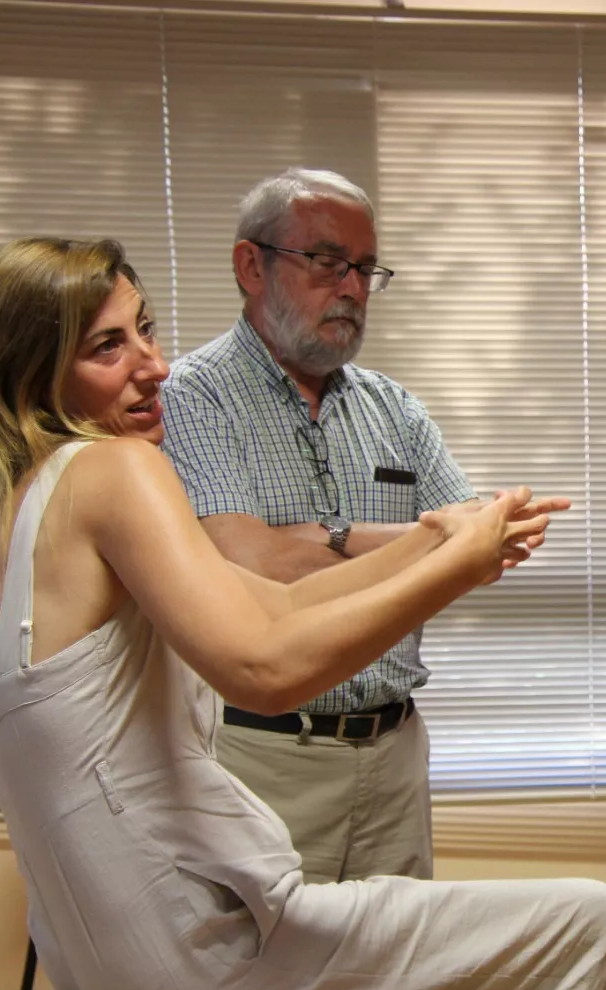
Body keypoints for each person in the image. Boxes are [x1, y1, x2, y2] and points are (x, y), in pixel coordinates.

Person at [0, 236, 606, 990]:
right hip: (196, 962)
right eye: (106, 347)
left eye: (145, 329)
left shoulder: (1, 525)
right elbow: (265, 671)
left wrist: (433, 542)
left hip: (105, 974)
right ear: (28, 371)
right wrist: (456, 572)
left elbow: (275, 606)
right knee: (593, 925)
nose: (153, 365)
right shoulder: (114, 472)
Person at [160, 168, 473, 883]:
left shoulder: (395, 409)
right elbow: (245, 563)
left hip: (393, 751)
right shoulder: (190, 397)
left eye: (365, 269)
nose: (354, 289)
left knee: (399, 976)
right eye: (328, 263)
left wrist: (313, 537)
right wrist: (425, 540)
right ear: (251, 264)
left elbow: (477, 548)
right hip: (259, 757)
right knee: (260, 981)